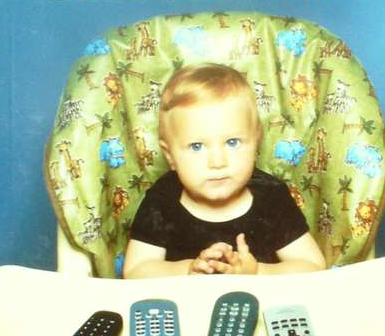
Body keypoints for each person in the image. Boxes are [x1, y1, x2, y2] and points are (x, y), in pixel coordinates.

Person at [123, 63, 326, 278]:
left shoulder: (271, 196)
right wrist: (187, 270)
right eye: (196, 146)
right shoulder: (163, 199)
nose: (217, 162)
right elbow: (136, 269)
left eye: (232, 142)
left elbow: (313, 265)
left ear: (256, 142)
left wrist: (257, 271)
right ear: (170, 156)